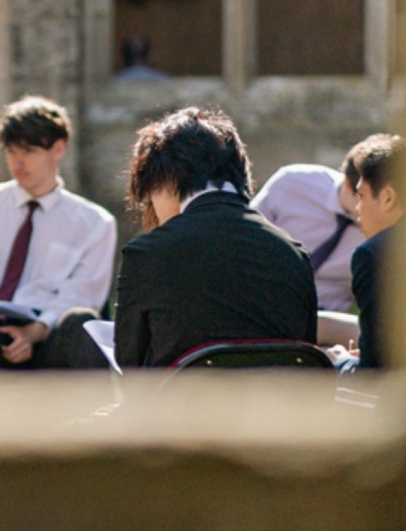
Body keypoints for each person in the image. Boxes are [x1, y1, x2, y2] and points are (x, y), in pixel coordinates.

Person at [113, 107, 317, 368]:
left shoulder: (147, 253)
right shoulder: (294, 253)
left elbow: (129, 364)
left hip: (182, 408)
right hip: (278, 405)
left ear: (166, 177)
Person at [0, 97, 116, 371]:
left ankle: (88, 413)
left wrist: (33, 332)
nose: (18, 162)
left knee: (80, 319)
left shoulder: (94, 223)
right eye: (11, 151)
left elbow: (82, 295)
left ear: (59, 148)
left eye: (29, 151)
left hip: (48, 337)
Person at [253, 156, 366, 313]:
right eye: (366, 199)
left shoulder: (383, 231)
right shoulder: (293, 183)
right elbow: (246, 236)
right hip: (261, 298)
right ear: (348, 186)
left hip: (323, 318)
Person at [347, 134, 406, 370]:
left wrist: (342, 361)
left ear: (387, 197)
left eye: (361, 196)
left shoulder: (374, 255)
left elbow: (375, 370)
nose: (357, 209)